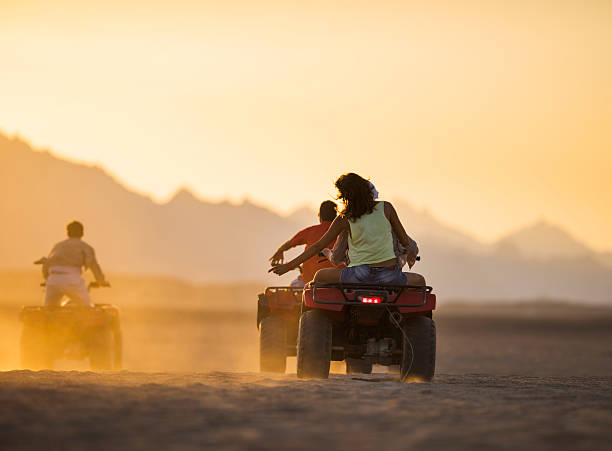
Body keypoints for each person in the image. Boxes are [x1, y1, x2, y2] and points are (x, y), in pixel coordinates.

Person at [269, 173, 425, 286]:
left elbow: (318, 246)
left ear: (346, 196)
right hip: (389, 275)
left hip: (358, 275)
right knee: (420, 281)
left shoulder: (345, 218)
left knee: (320, 276)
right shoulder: (386, 208)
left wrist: (288, 266)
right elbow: (406, 242)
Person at [322, 181, 418, 268]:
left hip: (358, 274)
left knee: (320, 276)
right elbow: (411, 247)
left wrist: (328, 253)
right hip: (389, 273)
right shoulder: (386, 214)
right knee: (418, 282)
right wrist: (408, 256)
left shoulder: (349, 220)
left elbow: (336, 258)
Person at [40, 221, 109, 307]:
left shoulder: (58, 246)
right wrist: (101, 281)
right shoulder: (85, 247)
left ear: (68, 232)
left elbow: (47, 263)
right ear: (82, 233)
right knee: (86, 308)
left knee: (48, 309)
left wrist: (47, 279)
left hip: (53, 279)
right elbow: (94, 266)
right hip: (72, 279)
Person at [269, 200, 338, 284]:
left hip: (308, 281)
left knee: (292, 288)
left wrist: (280, 250)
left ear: (320, 216)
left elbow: (290, 243)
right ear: (336, 217)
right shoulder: (343, 233)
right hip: (336, 279)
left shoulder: (310, 231)